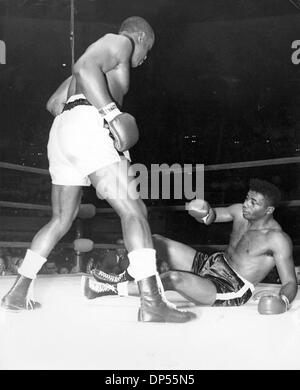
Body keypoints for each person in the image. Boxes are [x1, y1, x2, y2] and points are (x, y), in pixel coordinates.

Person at [1, 16, 195, 323]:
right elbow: (82, 68)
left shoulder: (96, 69)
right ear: (141, 39)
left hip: (64, 130)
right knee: (134, 211)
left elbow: (54, 103)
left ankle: (17, 292)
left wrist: (85, 121)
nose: (143, 60)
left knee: (61, 219)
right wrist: (110, 114)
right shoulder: (120, 42)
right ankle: (151, 302)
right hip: (88, 124)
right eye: (147, 51)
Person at [82, 179, 297, 313]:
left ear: (268, 210)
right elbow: (212, 216)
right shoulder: (239, 210)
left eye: (254, 203)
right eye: (247, 199)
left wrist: (283, 301)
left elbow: (289, 282)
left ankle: (107, 289)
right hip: (213, 263)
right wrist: (203, 211)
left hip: (230, 287)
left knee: (174, 278)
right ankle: (125, 275)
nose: (247, 205)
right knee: (154, 240)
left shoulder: (277, 239)